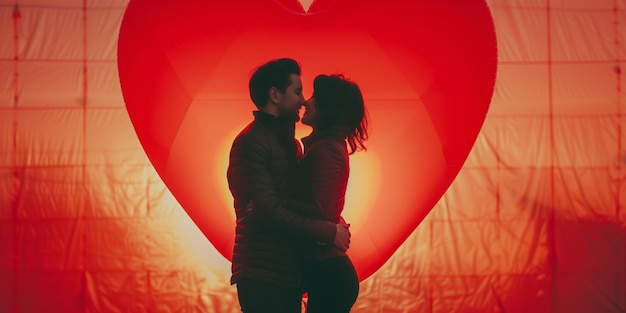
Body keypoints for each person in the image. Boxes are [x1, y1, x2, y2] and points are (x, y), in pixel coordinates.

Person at [226, 58, 351, 313]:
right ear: (275, 95)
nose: (303, 100)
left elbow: (302, 202)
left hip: (288, 274)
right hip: (262, 274)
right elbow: (267, 211)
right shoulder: (250, 142)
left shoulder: (290, 145)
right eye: (297, 92)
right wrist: (329, 232)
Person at [297, 74, 368, 313]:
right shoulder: (326, 146)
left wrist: (275, 202)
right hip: (328, 272)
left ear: (329, 107)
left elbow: (320, 211)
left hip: (330, 275)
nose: (306, 102)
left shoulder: (325, 150)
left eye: (315, 98)